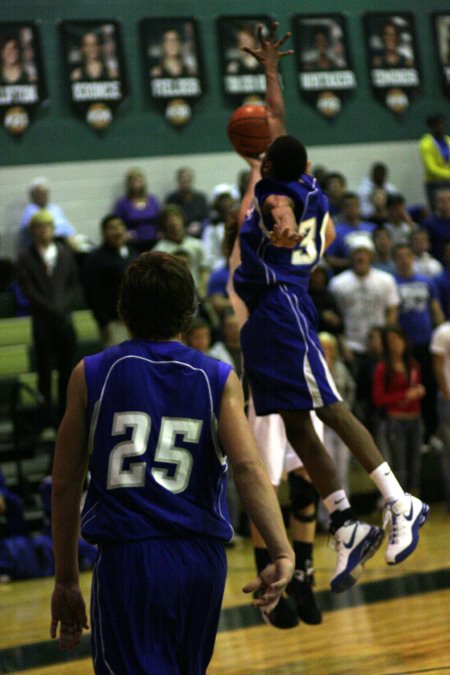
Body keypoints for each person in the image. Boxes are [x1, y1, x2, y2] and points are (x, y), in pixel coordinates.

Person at [233, 22, 429, 594]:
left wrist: (284, 234)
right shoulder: (305, 181)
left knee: (329, 409)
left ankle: (399, 501)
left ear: (270, 163)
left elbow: (280, 213)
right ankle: (344, 522)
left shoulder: (277, 196)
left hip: (281, 306)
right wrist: (271, 72)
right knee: (294, 421)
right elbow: (279, 126)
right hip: (269, 314)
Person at [49, 251, 294, 670]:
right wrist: (282, 551)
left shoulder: (90, 373)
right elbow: (249, 468)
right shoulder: (218, 377)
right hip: (201, 562)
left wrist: (66, 579)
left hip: (131, 561)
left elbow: (65, 482)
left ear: (122, 310)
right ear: (190, 313)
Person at [16, 209, 79, 424]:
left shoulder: (64, 252)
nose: (44, 231)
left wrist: (63, 305)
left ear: (53, 230)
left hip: (64, 320)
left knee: (66, 369)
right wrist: (53, 307)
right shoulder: (26, 257)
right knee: (44, 371)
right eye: (40, 227)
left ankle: (65, 414)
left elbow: (72, 284)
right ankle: (45, 418)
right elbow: (28, 289)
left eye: (48, 227)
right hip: (43, 321)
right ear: (33, 231)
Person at [393, 243, 445, 446]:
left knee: (430, 388)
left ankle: (430, 434)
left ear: (412, 259)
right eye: (400, 257)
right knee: (408, 389)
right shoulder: (392, 282)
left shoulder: (427, 281)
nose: (404, 260)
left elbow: (435, 310)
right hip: (405, 346)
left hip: (427, 343)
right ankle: (413, 437)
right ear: (395, 260)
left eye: (407, 256)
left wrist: (441, 333)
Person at [329, 236, 399, 378]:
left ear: (371, 256)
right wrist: (342, 344)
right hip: (351, 345)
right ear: (351, 257)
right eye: (357, 253)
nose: (361, 257)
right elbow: (336, 318)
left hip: (379, 346)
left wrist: (384, 341)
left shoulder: (386, 280)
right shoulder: (337, 284)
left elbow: (392, 310)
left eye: (364, 253)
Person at [373, 325, 425, 494]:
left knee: (415, 465)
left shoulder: (413, 365)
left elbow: (416, 387)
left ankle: (415, 502)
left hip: (415, 418)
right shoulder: (383, 368)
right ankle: (402, 505)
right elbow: (378, 398)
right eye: (391, 341)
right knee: (400, 466)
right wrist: (404, 395)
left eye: (398, 340)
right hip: (396, 420)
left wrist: (419, 391)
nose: (395, 344)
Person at [81, 214, 137, 347]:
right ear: (104, 232)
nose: (117, 231)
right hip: (113, 322)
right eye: (112, 228)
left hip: (137, 321)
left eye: (119, 227)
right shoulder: (95, 259)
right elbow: (92, 293)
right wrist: (103, 322)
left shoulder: (132, 253)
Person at [154, 204, 209, 296]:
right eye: (169, 220)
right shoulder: (159, 251)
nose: (174, 223)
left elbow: (204, 269)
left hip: (197, 292)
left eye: (177, 218)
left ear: (182, 220)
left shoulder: (196, 245)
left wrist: (202, 290)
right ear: (164, 225)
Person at [18, 177, 78, 253]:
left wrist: (71, 237)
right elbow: (40, 232)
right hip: (41, 248)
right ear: (33, 195)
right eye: (41, 193)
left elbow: (68, 228)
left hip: (64, 244)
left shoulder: (55, 208)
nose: (44, 195)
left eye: (46, 192)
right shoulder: (30, 211)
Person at [324, 192, 376, 273]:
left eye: (354, 205)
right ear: (342, 209)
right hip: (347, 272)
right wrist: (353, 262)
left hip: (373, 271)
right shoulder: (336, 231)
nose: (351, 208)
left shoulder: (372, 228)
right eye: (347, 206)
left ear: (359, 207)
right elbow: (329, 259)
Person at [113, 167, 161, 252]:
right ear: (129, 184)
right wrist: (125, 233)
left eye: (139, 181)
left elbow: (160, 218)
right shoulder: (123, 203)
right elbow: (118, 222)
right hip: (133, 243)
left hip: (154, 240)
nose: (137, 184)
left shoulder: (152, 200)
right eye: (133, 182)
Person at [430, 320, 450, 508]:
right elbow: (437, 365)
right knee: (448, 450)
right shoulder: (443, 332)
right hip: (448, 400)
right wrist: (446, 393)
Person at [165, 167, 209, 237]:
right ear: (178, 181)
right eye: (182, 178)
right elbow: (167, 219)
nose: (185, 181)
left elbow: (207, 218)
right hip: (177, 235)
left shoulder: (200, 198)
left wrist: (199, 225)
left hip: (198, 235)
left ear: (192, 180)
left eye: (188, 178)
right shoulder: (171, 199)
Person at [418, 114, 450, 209]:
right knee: (438, 210)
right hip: (434, 184)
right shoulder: (426, 143)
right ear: (431, 126)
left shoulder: (448, 140)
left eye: (441, 124)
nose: (440, 126)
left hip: (448, 182)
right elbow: (431, 168)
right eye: (437, 124)